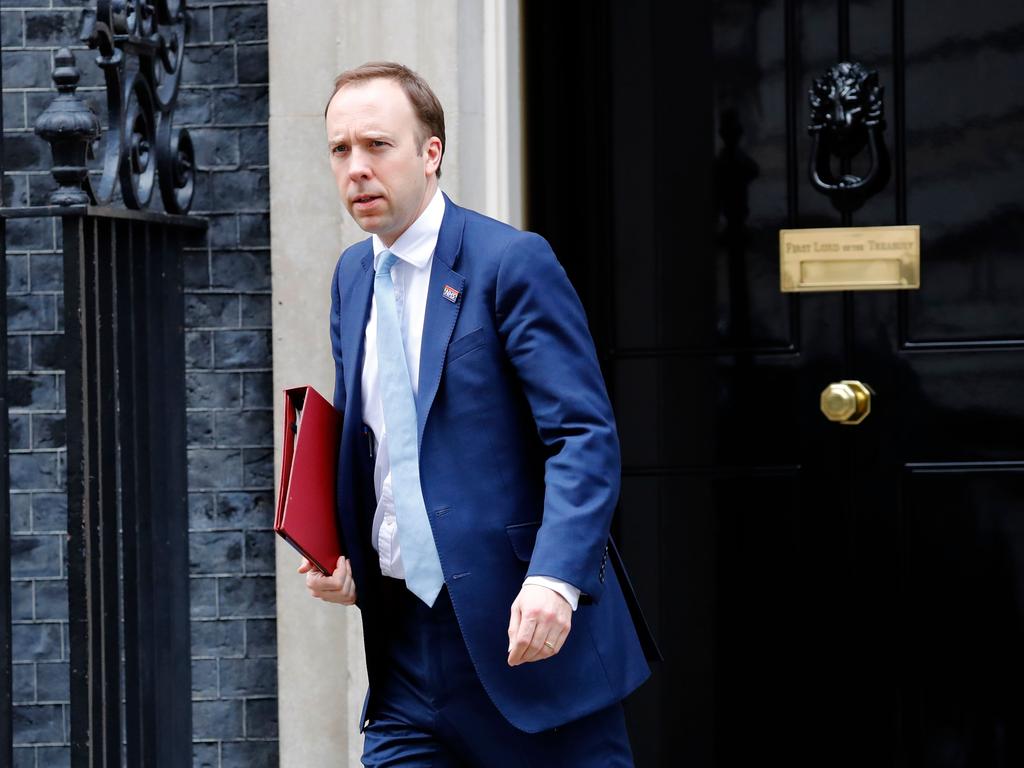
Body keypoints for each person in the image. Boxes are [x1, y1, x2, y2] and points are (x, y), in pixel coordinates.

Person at [299, 61, 658, 767]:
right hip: (405, 653)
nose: (356, 169)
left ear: (431, 153)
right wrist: (345, 550)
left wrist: (556, 578)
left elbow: (582, 435)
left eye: (377, 145)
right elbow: (375, 442)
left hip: (530, 646)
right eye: (341, 150)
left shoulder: (510, 263)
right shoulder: (349, 277)